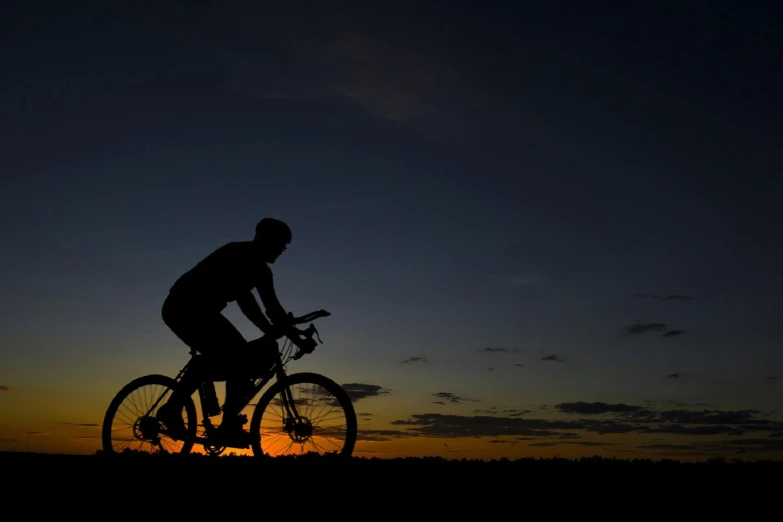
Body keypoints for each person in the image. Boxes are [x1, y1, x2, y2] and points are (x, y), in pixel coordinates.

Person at [156, 217, 306, 447]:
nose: (282, 250)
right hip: (184, 306)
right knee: (238, 354)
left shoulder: (261, 271)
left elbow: (270, 308)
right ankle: (175, 411)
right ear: (267, 239)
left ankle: (225, 424)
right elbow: (250, 303)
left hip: (203, 312)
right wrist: (282, 333)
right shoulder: (239, 254)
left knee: (239, 358)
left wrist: (291, 335)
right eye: (281, 244)